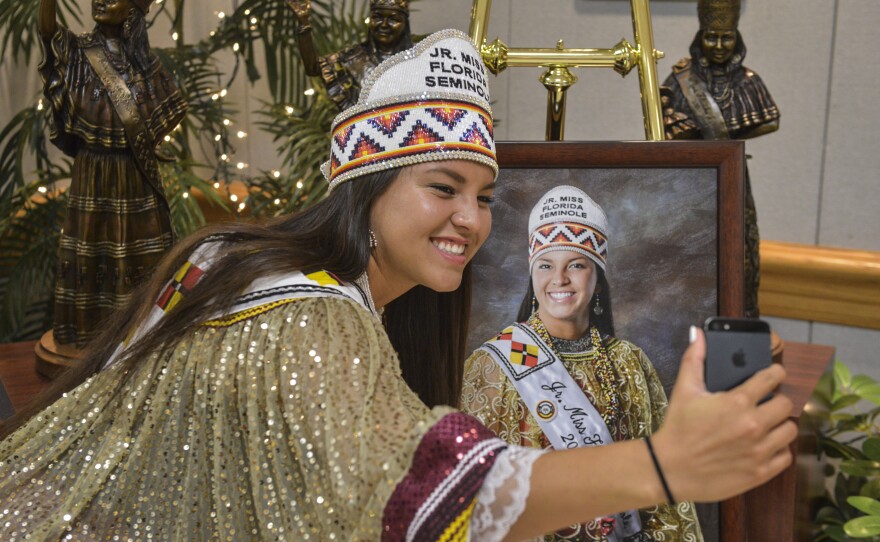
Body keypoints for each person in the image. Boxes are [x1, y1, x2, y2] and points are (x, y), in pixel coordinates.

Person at [0, 29, 796, 541]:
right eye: (441, 188)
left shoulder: (231, 255)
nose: (470, 220)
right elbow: (410, 493)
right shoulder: (306, 318)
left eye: (484, 198)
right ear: (366, 187)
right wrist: (662, 467)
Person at [461, 186, 703, 541]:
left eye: (576, 265)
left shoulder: (629, 362)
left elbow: (662, 480)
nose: (559, 279)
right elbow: (473, 492)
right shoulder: (494, 366)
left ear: (598, 280)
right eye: (546, 265)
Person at [38, 0, 187, 348]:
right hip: (94, 170)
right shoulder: (77, 52)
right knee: (93, 246)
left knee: (141, 249)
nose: (101, 0)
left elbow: (172, 107)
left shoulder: (147, 65)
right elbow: (47, 31)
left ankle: (138, 330)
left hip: (134, 172)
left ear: (133, 9)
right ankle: (92, 335)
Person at [660, 0, 779, 318]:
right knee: (692, 243)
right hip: (693, 179)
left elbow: (770, 120)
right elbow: (662, 124)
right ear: (700, 36)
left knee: (740, 245)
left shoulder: (749, 80)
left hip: (733, 173)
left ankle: (742, 312)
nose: (718, 45)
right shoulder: (681, 79)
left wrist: (719, 132)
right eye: (711, 37)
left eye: (726, 37)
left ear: (737, 37)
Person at [287, 0, 414, 111]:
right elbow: (312, 68)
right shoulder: (350, 58)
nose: (384, 24)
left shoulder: (419, 61)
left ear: (405, 24)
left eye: (393, 19)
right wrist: (303, 25)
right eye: (377, 17)